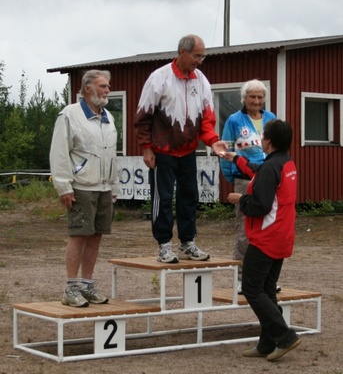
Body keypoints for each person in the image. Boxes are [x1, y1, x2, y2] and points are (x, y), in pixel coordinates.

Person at [134, 34, 228, 263]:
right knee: (162, 198)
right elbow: (142, 117)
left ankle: (188, 243)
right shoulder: (159, 78)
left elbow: (207, 118)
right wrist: (146, 148)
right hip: (162, 152)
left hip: (187, 151)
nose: (200, 61)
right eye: (197, 56)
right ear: (182, 52)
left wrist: (213, 140)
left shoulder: (201, 80)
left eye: (203, 56)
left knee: (190, 197)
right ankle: (164, 245)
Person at [226, 119, 301, 361]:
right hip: (282, 235)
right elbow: (259, 173)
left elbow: (260, 205)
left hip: (266, 237)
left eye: (263, 136)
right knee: (267, 290)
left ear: (267, 141)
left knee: (250, 287)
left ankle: (285, 335)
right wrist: (234, 158)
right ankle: (267, 344)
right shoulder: (286, 163)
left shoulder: (271, 168)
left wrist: (240, 199)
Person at [50, 69, 118, 307]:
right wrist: (63, 186)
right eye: (103, 86)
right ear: (87, 88)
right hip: (80, 186)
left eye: (108, 86)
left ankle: (87, 285)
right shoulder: (70, 115)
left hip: (103, 188)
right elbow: (59, 152)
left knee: (96, 236)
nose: (107, 90)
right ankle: (70, 288)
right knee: (78, 235)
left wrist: (114, 188)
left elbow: (112, 156)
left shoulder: (108, 117)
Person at [220, 79, 276, 293]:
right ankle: (241, 279)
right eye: (252, 97)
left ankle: (266, 279)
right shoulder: (234, 120)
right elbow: (225, 152)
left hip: (268, 179)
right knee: (244, 231)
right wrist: (232, 179)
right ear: (244, 98)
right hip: (243, 180)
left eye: (260, 97)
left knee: (268, 229)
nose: (256, 101)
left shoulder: (271, 118)